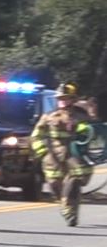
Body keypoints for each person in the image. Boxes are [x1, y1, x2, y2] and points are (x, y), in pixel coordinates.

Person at [30, 82, 93, 227]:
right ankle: (67, 208)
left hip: (74, 157)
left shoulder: (82, 116)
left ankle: (71, 212)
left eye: (66, 98)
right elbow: (36, 136)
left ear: (73, 99)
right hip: (53, 158)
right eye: (60, 98)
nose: (63, 101)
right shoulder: (49, 116)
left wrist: (84, 130)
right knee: (55, 186)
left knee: (74, 183)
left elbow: (93, 133)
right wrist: (43, 152)